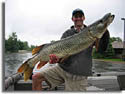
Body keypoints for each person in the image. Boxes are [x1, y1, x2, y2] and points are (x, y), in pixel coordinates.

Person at [32, 8, 110, 91]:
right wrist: (56, 60)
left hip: (79, 73)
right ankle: (30, 64)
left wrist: (105, 31)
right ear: (72, 19)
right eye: (76, 16)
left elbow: (102, 49)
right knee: (36, 78)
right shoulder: (67, 33)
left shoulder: (91, 33)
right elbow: (61, 57)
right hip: (62, 69)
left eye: (80, 16)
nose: (78, 18)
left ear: (84, 18)